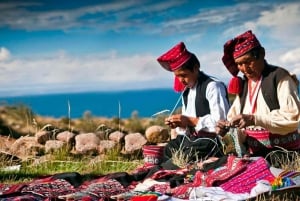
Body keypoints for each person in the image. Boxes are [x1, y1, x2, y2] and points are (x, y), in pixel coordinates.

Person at [216, 30, 300, 157]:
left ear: (262, 54)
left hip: (284, 154)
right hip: (256, 155)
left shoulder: (280, 77)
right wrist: (226, 131)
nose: (244, 69)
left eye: (248, 61)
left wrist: (254, 119)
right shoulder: (244, 85)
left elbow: (292, 118)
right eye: (239, 64)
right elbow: (239, 127)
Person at [157, 42, 230, 165]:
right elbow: (187, 124)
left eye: (183, 75)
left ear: (195, 67)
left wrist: (190, 121)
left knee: (181, 160)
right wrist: (179, 124)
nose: (180, 80)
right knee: (168, 150)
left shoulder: (213, 86)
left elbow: (222, 123)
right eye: (177, 76)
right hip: (192, 140)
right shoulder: (186, 91)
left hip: (210, 141)